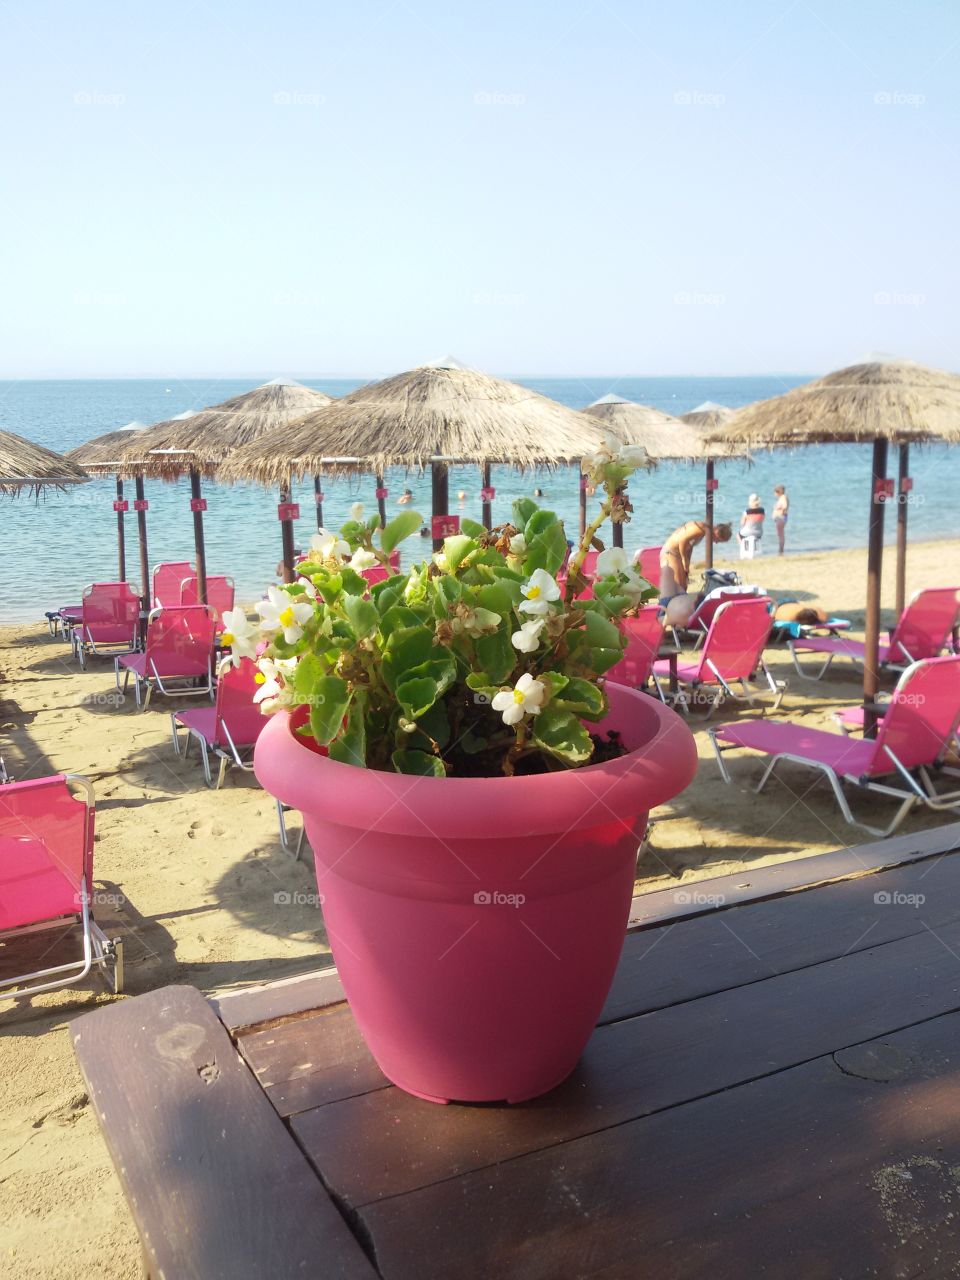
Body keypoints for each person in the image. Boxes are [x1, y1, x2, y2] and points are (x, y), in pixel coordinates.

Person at [659, 519, 732, 604]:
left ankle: (676, 607)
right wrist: (684, 559)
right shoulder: (700, 528)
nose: (715, 542)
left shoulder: (703, 531)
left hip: (676, 554)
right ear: (717, 533)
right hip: (671, 552)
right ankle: (666, 609)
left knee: (683, 585)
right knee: (678, 585)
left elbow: (689, 546)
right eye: (718, 540)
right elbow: (682, 541)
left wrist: (687, 563)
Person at [773, 484, 789, 554]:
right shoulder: (782, 497)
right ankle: (781, 549)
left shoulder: (783, 497)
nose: (774, 494)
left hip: (781, 518)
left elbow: (785, 506)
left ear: (778, 492)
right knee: (780, 534)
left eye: (775, 492)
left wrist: (779, 508)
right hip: (780, 518)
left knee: (780, 534)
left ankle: (781, 549)